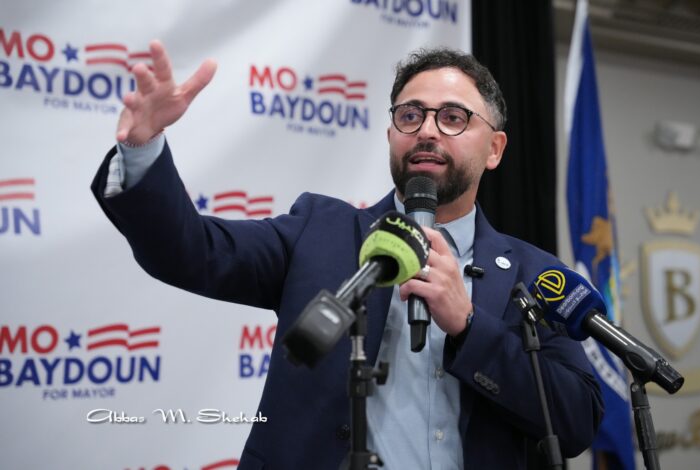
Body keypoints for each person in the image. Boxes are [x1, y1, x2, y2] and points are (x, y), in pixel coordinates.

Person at [91, 40, 603, 469]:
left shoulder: (538, 275)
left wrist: (469, 326)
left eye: (453, 117)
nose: (427, 131)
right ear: (391, 135)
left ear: (494, 149)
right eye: (410, 115)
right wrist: (144, 147)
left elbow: (576, 421)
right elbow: (192, 251)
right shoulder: (321, 231)